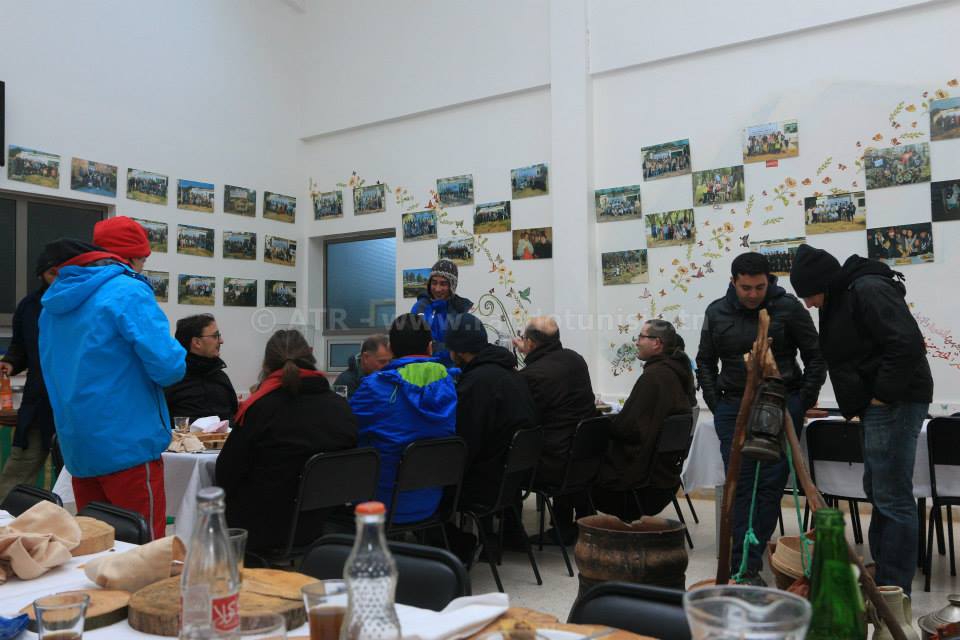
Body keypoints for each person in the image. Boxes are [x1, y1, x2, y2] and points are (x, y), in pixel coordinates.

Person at [790, 244, 932, 594]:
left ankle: (894, 588)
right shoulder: (841, 294)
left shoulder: (867, 289)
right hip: (880, 404)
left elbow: (907, 343)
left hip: (895, 402)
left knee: (893, 496)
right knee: (879, 490)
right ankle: (883, 575)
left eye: (809, 295)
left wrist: (881, 394)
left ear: (822, 283)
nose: (808, 304)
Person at [39, 217, 185, 539]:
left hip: (79, 447)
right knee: (143, 551)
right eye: (144, 259)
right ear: (132, 258)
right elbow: (170, 367)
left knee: (98, 546)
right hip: (127, 445)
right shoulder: (128, 291)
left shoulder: (52, 304)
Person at [696, 251, 826, 584]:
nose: (753, 294)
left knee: (768, 487)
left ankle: (749, 565)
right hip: (733, 407)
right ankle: (742, 566)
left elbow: (815, 357)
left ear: (769, 281)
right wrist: (716, 401)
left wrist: (800, 403)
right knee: (740, 484)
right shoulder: (717, 311)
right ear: (733, 283)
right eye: (745, 288)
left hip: (779, 405)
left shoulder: (789, 308)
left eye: (759, 287)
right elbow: (705, 362)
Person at [216, 329, 357, 551]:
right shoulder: (340, 406)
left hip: (263, 526)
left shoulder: (261, 408)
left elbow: (225, 472)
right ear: (311, 358)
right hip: (326, 523)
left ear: (266, 365)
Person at [349, 313, 457, 523]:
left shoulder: (373, 387)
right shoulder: (449, 384)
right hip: (431, 499)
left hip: (379, 502)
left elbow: (347, 429)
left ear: (391, 349)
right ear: (429, 347)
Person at [593, 320, 696, 522]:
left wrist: (599, 420)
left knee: (580, 464)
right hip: (664, 474)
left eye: (641, 337)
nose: (637, 342)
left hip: (639, 482)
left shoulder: (655, 377)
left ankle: (578, 527)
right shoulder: (676, 372)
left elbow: (627, 429)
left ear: (656, 343)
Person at [514, 316, 597, 544]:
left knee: (504, 463)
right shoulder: (575, 359)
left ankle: (509, 537)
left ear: (529, 342)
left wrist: (526, 359)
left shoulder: (532, 375)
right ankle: (577, 524)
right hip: (584, 456)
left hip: (553, 462)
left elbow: (525, 419)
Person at [447, 313, 537, 507]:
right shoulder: (512, 373)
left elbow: (465, 444)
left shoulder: (475, 383)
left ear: (459, 352)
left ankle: (451, 537)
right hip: (513, 480)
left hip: (486, 484)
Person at [0, 250, 61, 501]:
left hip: (74, 403)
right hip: (38, 400)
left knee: (74, 471)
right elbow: (20, 347)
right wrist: (10, 363)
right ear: (41, 274)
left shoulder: (85, 303)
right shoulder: (30, 305)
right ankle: (4, 521)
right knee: (20, 465)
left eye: (63, 273)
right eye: (51, 273)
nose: (57, 279)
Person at [165, 314, 238, 422]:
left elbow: (233, 414)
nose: (221, 341)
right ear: (197, 343)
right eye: (215, 336)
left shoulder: (221, 377)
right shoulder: (170, 380)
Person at [411, 259, 473, 366]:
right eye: (434, 283)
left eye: (443, 284)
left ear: (452, 286)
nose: (438, 289)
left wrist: (436, 348)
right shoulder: (420, 307)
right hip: (425, 370)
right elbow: (415, 342)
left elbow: (466, 346)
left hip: (455, 373)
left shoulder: (461, 309)